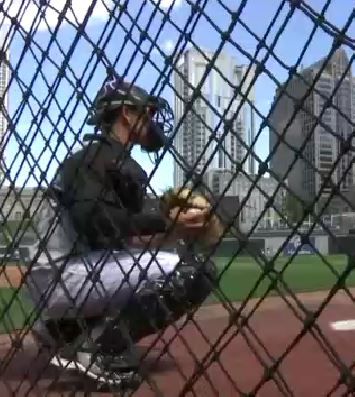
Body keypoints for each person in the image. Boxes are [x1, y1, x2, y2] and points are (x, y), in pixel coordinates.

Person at [22, 79, 218, 389]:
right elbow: (95, 222)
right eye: (147, 113)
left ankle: (66, 329)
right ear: (127, 113)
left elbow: (118, 237)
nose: (152, 121)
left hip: (74, 270)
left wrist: (175, 230)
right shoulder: (92, 158)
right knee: (194, 272)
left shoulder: (113, 161)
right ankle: (98, 348)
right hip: (62, 276)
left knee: (163, 263)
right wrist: (164, 221)